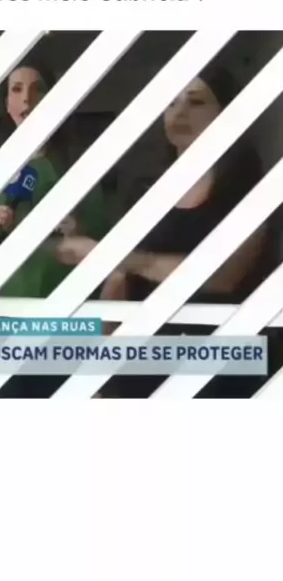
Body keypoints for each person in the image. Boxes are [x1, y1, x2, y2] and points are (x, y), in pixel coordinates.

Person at [55, 64, 273, 397]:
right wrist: (99, 372)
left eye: (196, 101)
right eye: (171, 102)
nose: (179, 112)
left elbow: (222, 275)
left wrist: (119, 256)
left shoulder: (250, 188)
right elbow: (117, 282)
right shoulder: (144, 192)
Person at [0, 58, 109, 397]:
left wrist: (78, 228)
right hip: (1, 318)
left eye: (37, 89)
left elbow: (103, 233)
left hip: (65, 315)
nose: (26, 98)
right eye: (16, 90)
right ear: (6, 102)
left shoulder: (79, 163)